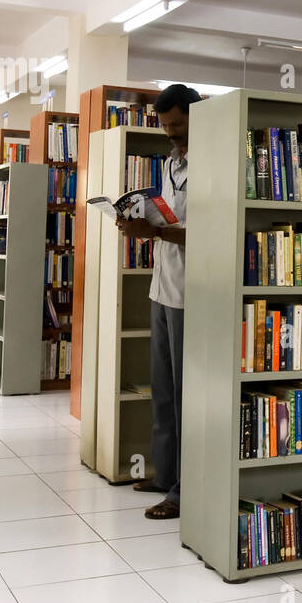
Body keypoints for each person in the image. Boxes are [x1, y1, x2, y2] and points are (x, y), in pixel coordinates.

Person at [116, 83, 198, 519]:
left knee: (187, 395)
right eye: (165, 125)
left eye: (177, 124)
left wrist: (156, 233)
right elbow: (170, 214)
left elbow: (208, 228)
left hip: (192, 292)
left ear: (196, 117)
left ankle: (185, 491)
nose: (170, 132)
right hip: (162, 286)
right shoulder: (170, 162)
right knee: (162, 390)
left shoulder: (212, 163)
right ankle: (165, 474)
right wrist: (138, 221)